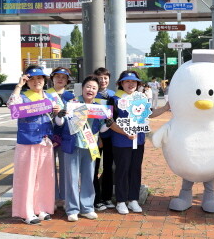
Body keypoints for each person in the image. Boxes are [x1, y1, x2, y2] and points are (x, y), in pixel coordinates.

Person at [109, 70, 170, 214]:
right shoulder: (114, 99)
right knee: (122, 170)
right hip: (121, 141)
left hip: (139, 140)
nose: (131, 84)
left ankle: (133, 199)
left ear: (138, 84)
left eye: (134, 81)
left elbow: (150, 113)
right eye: (127, 81)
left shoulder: (141, 98)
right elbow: (109, 121)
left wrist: (166, 108)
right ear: (121, 83)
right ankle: (121, 201)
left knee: (135, 169)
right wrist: (125, 132)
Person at [7, 65, 60, 224]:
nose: (37, 81)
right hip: (28, 141)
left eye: (40, 78)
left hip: (45, 141)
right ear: (27, 81)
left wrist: (58, 112)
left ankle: (41, 208)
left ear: (44, 80)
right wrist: (19, 85)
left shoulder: (49, 98)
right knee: (27, 177)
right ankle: (26, 212)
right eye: (32, 79)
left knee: (44, 178)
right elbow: (12, 107)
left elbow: (57, 119)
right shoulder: (23, 96)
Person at [56, 76, 112, 222]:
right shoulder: (72, 104)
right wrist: (60, 116)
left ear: (97, 91)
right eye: (88, 86)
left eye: (94, 88)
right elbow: (61, 124)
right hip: (73, 145)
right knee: (72, 178)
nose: (90, 90)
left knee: (88, 177)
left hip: (90, 145)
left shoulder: (99, 108)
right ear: (82, 88)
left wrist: (109, 124)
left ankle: (87, 207)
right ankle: (72, 209)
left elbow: (102, 129)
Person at [47, 67, 75, 209]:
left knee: (65, 169)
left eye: (63, 77)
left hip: (65, 136)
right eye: (57, 76)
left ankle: (64, 198)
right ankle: (51, 197)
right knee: (49, 169)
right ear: (52, 78)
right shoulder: (45, 95)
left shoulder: (71, 97)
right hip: (48, 136)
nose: (60, 79)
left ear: (67, 81)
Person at [92, 67, 116, 211]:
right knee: (93, 168)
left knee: (109, 168)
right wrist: (98, 137)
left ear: (109, 79)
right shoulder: (91, 94)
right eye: (99, 78)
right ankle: (96, 199)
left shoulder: (114, 95)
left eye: (105, 78)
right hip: (94, 138)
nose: (102, 81)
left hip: (111, 137)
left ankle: (107, 197)